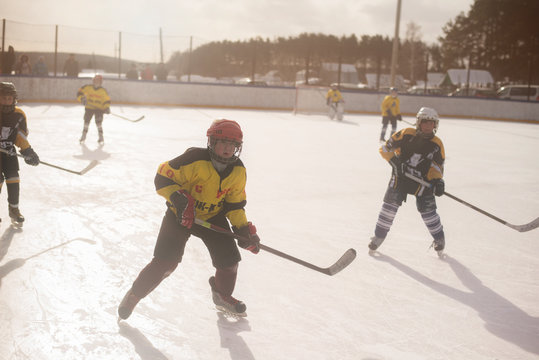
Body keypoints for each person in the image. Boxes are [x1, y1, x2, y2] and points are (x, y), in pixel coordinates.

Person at [118, 119, 261, 319]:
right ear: (211, 142)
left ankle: (222, 296)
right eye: (223, 143)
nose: (228, 148)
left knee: (229, 263)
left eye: (233, 144)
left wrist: (243, 230)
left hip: (212, 217)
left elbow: (234, 205)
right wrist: (179, 199)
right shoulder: (193, 159)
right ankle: (134, 295)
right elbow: (162, 177)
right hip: (181, 216)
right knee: (166, 262)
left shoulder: (238, 171)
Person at [368, 107, 446, 257]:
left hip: (423, 182)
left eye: (431, 123)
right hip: (400, 178)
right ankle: (379, 236)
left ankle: (439, 238)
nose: (428, 126)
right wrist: (395, 162)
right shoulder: (406, 134)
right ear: (418, 122)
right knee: (389, 207)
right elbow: (385, 149)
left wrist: (438, 182)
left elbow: (437, 166)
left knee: (428, 212)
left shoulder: (437, 144)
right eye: (425, 122)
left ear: (435, 125)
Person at [0, 82, 40, 226]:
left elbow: (20, 137)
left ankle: (14, 210)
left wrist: (27, 151)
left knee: (14, 179)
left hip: (9, 152)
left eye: (9, 98)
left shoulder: (19, 115)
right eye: (3, 98)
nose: (6, 101)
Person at [76, 74, 111, 145]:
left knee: (98, 122)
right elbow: (79, 93)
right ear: (93, 80)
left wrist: (106, 107)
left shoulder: (103, 91)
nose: (97, 81)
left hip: (99, 109)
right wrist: (82, 99)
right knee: (86, 121)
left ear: (101, 82)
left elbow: (106, 100)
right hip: (89, 108)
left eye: (98, 80)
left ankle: (101, 136)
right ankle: (84, 135)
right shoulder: (87, 87)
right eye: (96, 80)